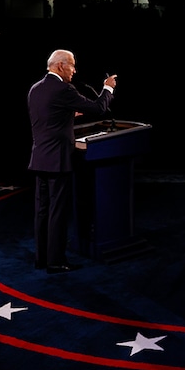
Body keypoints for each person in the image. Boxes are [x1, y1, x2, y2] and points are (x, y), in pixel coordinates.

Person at [27, 49, 117, 274]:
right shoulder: (64, 89)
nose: (75, 70)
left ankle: (42, 258)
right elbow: (99, 108)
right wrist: (108, 87)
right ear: (60, 66)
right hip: (57, 161)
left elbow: (46, 117)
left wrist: (67, 114)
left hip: (39, 159)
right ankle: (56, 262)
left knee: (42, 211)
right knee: (57, 212)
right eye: (72, 66)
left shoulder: (35, 89)